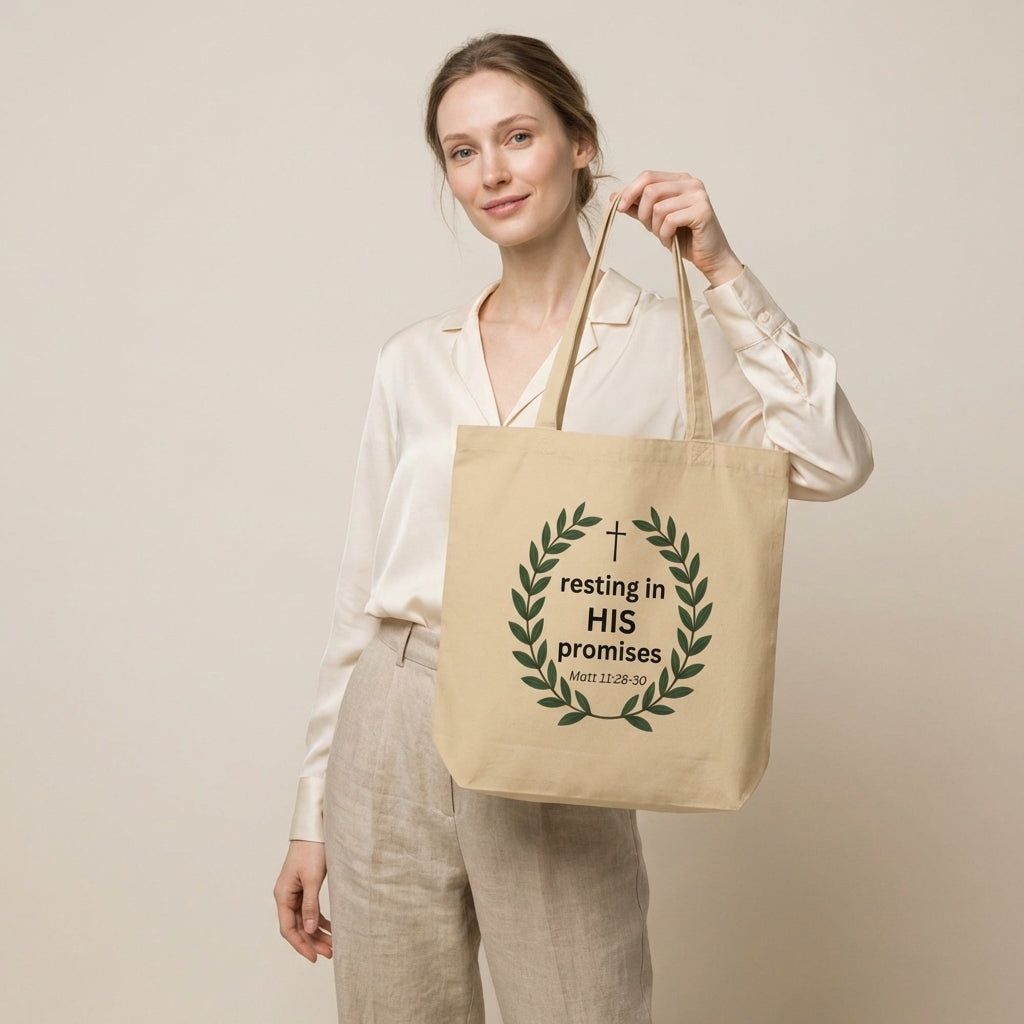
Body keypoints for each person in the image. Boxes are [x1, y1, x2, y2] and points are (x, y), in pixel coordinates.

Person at [273, 32, 872, 1024]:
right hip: (391, 717)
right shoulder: (414, 360)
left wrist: (723, 270)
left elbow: (831, 458)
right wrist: (309, 812)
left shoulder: (659, 347)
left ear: (581, 144)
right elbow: (358, 593)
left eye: (517, 136)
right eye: (462, 151)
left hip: (559, 704)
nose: (492, 171)